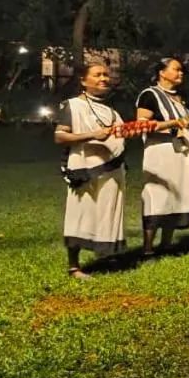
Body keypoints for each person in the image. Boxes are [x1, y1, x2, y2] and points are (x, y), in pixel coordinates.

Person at [55, 62, 128, 278]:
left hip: (112, 170)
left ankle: (106, 256)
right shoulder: (72, 106)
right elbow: (60, 136)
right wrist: (91, 136)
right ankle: (74, 267)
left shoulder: (112, 112)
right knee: (80, 212)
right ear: (83, 81)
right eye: (98, 75)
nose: (104, 78)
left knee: (108, 212)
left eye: (106, 75)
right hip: (85, 169)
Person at [136, 57, 189, 255]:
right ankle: (147, 248)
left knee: (175, 195)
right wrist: (172, 124)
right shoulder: (149, 95)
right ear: (162, 72)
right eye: (176, 69)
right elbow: (141, 124)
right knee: (157, 196)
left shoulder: (179, 98)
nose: (181, 73)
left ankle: (167, 244)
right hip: (160, 152)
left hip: (180, 152)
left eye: (182, 70)